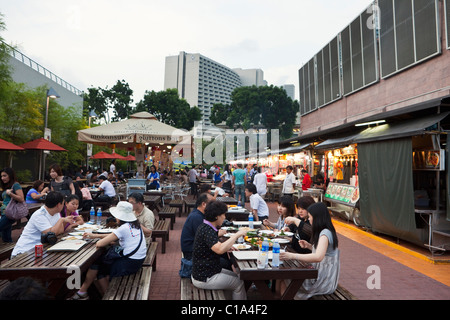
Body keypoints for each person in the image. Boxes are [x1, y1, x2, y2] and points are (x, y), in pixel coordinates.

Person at [69, 201, 147, 299]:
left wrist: (97, 239)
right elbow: (114, 235)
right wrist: (95, 235)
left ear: (120, 217)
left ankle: (108, 296)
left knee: (99, 268)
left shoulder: (123, 228)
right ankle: (84, 292)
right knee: (100, 263)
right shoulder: (134, 225)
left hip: (128, 264)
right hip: (137, 261)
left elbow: (99, 244)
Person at [280, 202, 340, 300]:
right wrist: (309, 246)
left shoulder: (325, 233)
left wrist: (292, 255)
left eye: (310, 217)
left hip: (322, 280)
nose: (309, 219)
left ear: (317, 218)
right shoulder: (326, 231)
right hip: (322, 276)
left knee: (287, 279)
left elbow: (318, 257)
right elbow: (324, 252)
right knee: (286, 277)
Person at [191, 200, 247, 300]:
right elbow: (220, 250)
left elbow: (215, 245)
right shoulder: (207, 230)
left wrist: (227, 247)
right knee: (239, 284)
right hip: (205, 277)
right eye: (223, 214)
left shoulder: (205, 227)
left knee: (238, 276)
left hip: (206, 271)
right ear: (217, 216)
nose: (225, 217)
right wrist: (237, 234)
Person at [11, 191, 72, 257]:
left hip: (40, 250)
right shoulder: (40, 215)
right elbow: (50, 233)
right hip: (24, 252)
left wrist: (61, 222)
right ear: (58, 205)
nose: (64, 206)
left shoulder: (56, 213)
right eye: (63, 203)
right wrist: (62, 220)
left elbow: (60, 231)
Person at [180, 193, 214, 260]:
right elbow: (205, 237)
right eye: (211, 204)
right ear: (204, 204)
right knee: (223, 261)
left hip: (196, 249)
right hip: (192, 253)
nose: (213, 206)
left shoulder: (198, 213)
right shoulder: (196, 217)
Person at [0, 168, 25, 242]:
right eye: (1, 176)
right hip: (4, 213)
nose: (2, 178)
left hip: (10, 214)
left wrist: (10, 193)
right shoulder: (7, 186)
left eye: (5, 176)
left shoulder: (16, 185)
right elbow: (7, 201)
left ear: (10, 176)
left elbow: (21, 199)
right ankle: (9, 252)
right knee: (6, 237)